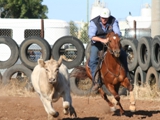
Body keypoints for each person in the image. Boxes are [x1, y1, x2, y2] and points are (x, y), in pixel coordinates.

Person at [88, 8, 131, 92]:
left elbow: (117, 33)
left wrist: (110, 39)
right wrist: (103, 40)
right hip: (97, 44)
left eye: (106, 18)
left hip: (111, 43)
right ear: (100, 17)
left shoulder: (113, 20)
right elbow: (92, 36)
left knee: (123, 55)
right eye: (103, 18)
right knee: (93, 61)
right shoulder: (94, 22)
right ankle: (96, 82)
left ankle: (127, 76)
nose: (104, 20)